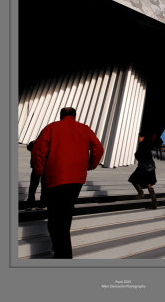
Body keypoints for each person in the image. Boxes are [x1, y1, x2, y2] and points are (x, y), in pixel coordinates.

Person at [31, 107, 104, 259]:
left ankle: (61, 254)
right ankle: (62, 252)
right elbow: (98, 148)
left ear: (61, 115)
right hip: (76, 179)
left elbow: (38, 150)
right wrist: (90, 164)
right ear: (75, 116)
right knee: (65, 215)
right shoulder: (84, 129)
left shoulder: (51, 127)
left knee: (54, 217)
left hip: (55, 177)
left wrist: (40, 171)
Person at [128, 133, 158, 209]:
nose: (138, 138)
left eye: (139, 137)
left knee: (133, 179)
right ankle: (154, 203)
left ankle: (141, 194)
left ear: (143, 137)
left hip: (144, 167)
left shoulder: (143, 144)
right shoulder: (147, 144)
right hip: (150, 167)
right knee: (148, 184)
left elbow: (139, 155)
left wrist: (136, 155)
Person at [25, 140, 47, 211]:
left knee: (33, 187)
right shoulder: (41, 143)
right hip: (43, 168)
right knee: (43, 187)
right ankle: (42, 204)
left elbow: (29, 147)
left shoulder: (35, 142)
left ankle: (30, 204)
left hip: (38, 167)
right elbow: (29, 147)